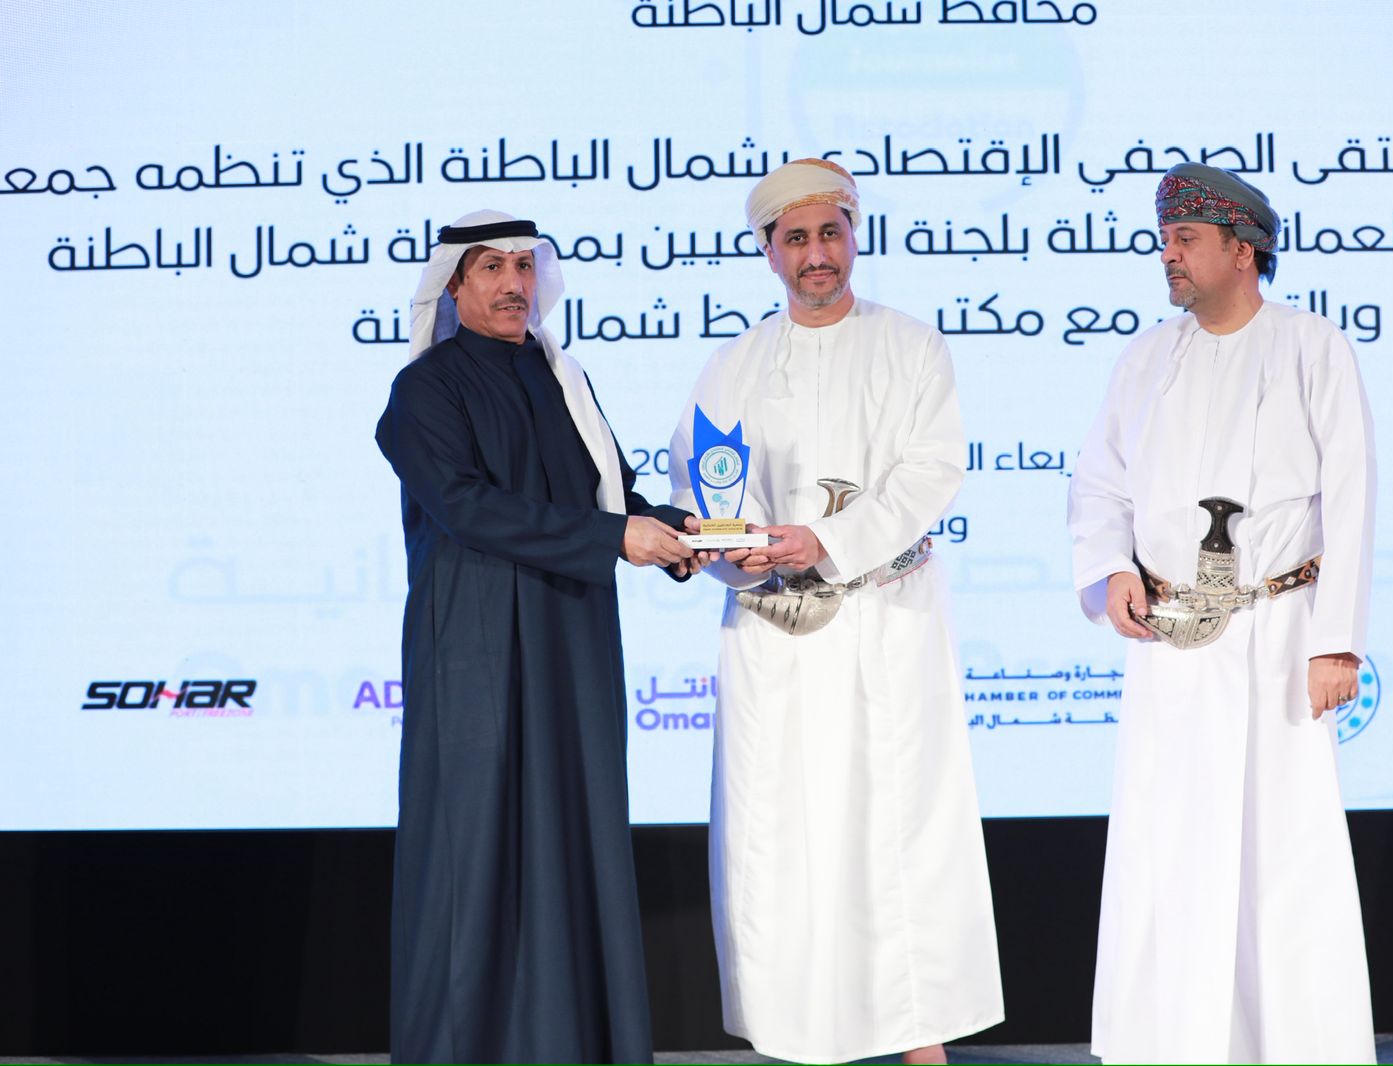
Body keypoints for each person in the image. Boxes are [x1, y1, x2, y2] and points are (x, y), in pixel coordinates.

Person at [669, 160, 1004, 1065]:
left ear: (854, 236)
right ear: (769, 252)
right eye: (797, 239)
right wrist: (735, 547)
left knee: (900, 827)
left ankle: (918, 1037)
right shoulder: (734, 364)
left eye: (831, 233)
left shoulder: (912, 346)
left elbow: (930, 472)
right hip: (775, 631)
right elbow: (699, 483)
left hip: (886, 615)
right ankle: (792, 1032)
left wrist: (825, 539)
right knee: (780, 831)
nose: (817, 254)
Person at [375, 209, 704, 1064]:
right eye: (491, 268)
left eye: (524, 267)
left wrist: (685, 534)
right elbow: (468, 507)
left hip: (572, 635)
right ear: (454, 285)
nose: (513, 284)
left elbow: (611, 496)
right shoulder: (426, 389)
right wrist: (615, 538)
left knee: (575, 831)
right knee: (474, 847)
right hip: (475, 641)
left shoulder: (565, 379)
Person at [1066, 163, 1378, 1063]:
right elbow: (1098, 484)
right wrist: (1109, 570)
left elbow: (1352, 495)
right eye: (1165, 239)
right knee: (1170, 846)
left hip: (1281, 636)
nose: (1168, 255)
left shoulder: (1312, 346)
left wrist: (1336, 643)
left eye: (1186, 239)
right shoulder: (1145, 359)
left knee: (1283, 852)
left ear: (1243, 251)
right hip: (1171, 644)